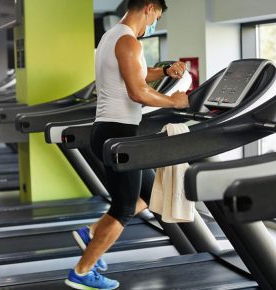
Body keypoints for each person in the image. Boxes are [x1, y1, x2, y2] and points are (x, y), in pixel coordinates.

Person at [64, 0, 189, 289]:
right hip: (119, 134)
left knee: (149, 193)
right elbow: (138, 92)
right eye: (156, 17)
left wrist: (165, 71)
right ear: (148, 7)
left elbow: (137, 74)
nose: (154, 23)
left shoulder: (113, 36)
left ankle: (92, 232)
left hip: (109, 131)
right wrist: (175, 102)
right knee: (123, 207)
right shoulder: (129, 42)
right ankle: (82, 272)